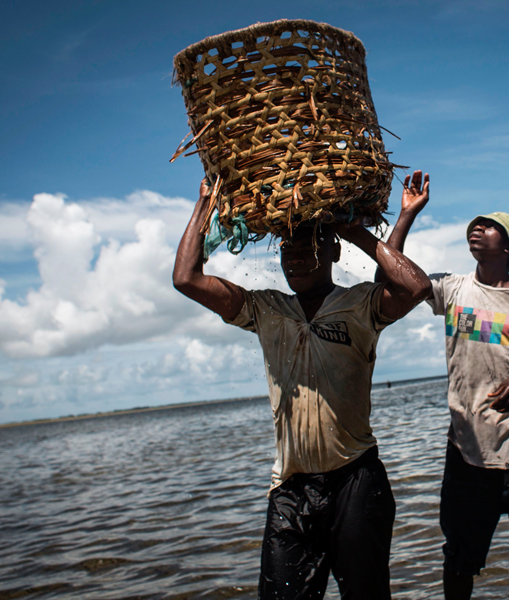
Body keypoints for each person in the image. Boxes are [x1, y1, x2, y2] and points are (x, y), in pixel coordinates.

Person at [173, 177, 432, 599]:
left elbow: (414, 287)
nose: (293, 260)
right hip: (291, 489)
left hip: (356, 480)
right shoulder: (266, 309)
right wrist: (204, 204)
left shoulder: (360, 305)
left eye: (307, 248)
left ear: (332, 251)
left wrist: (359, 230)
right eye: (287, 251)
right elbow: (186, 278)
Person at [379, 171, 509, 600]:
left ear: (508, 247)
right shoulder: (451, 289)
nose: (476, 229)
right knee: (459, 559)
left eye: (489, 226)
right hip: (466, 453)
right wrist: (406, 214)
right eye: (474, 226)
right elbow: (393, 270)